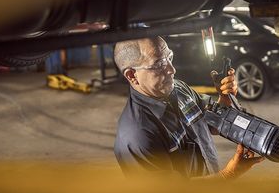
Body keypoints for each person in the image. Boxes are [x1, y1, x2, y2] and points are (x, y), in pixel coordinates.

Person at [113, 36, 264, 179]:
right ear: (132, 75)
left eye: (169, 58)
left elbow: (213, 124)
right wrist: (227, 176)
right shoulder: (137, 134)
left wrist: (225, 97)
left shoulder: (179, 89)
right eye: (159, 64)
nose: (172, 70)